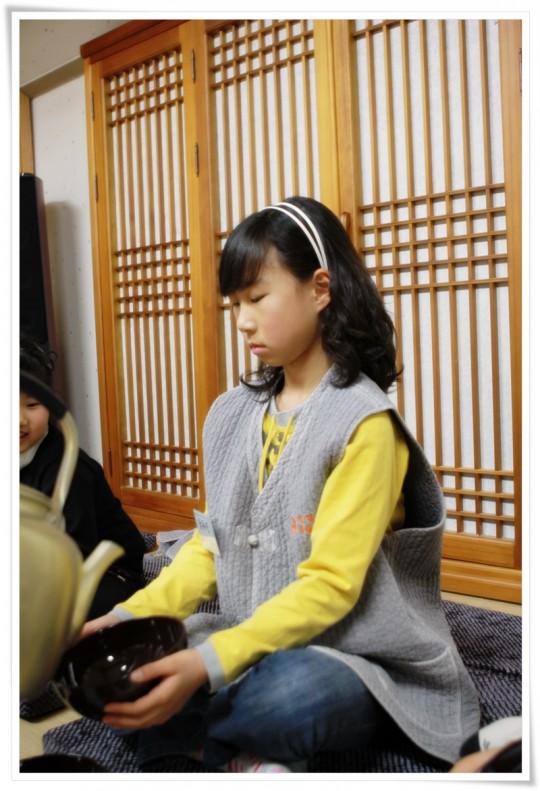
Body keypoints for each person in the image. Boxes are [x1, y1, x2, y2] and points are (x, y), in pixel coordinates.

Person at [82, 196, 480, 773]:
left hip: (353, 654)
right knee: (140, 670)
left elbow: (332, 587)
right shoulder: (231, 414)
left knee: (288, 698)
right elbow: (210, 547)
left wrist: (207, 666)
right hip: (251, 633)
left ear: (319, 290)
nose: (242, 320)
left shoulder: (363, 424)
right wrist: (126, 619)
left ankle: (184, 744)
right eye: (234, 303)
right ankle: (214, 754)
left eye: (257, 297)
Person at [20, 334, 146, 620]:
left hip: (104, 571)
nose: (19, 420)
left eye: (32, 405)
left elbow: (72, 556)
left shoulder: (68, 470)